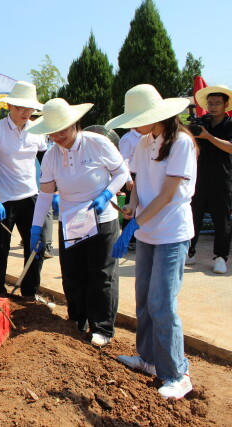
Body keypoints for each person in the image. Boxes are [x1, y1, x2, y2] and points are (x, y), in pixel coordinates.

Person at [108, 84, 195, 399]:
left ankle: (177, 374)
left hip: (171, 233)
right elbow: (138, 185)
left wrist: (135, 225)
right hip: (146, 233)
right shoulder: (144, 142)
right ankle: (148, 359)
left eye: (138, 119)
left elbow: (168, 194)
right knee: (144, 299)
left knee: (162, 303)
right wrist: (131, 208)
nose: (134, 125)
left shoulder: (181, 143)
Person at [28, 98, 128, 347]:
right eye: (52, 132)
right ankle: (77, 319)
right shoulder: (51, 156)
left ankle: (102, 327)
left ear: (74, 124)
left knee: (102, 273)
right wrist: (36, 227)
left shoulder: (98, 143)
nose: (57, 137)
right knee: (73, 274)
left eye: (62, 130)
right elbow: (45, 195)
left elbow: (121, 172)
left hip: (101, 218)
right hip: (72, 220)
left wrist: (107, 194)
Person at [0, 81, 47, 299]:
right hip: (4, 199)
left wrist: (53, 192)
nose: (25, 113)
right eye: (20, 108)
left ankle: (30, 292)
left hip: (30, 196)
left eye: (29, 108)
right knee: (1, 248)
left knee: (34, 246)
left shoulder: (37, 131)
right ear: (9, 106)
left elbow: (47, 164)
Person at [187, 85, 232, 274]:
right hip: (198, 179)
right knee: (192, 218)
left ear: (226, 104)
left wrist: (208, 136)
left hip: (222, 179)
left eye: (217, 103)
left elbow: (230, 147)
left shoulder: (229, 124)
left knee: (221, 221)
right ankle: (189, 252)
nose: (213, 107)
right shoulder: (202, 123)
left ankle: (220, 257)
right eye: (210, 103)